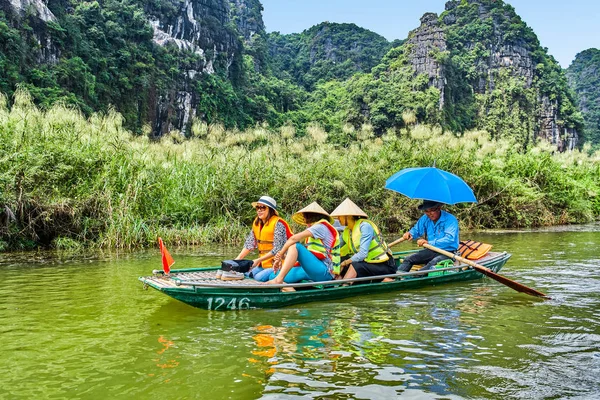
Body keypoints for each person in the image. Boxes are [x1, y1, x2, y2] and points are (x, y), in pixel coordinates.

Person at [266, 202, 340, 286]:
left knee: (295, 245)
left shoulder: (320, 227)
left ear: (309, 217)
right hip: (313, 269)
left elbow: (293, 239)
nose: (304, 220)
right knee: (273, 275)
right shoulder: (315, 228)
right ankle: (285, 285)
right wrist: (283, 257)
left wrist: (279, 255)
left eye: (305, 217)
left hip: (325, 271)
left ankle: (279, 281)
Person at [330, 198, 396, 281]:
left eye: (340, 216)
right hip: (368, 263)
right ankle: (338, 281)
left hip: (384, 265)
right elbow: (335, 246)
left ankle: (344, 286)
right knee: (340, 260)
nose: (338, 219)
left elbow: (362, 254)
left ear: (348, 216)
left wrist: (345, 263)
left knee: (354, 265)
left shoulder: (365, 226)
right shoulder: (347, 231)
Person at [235, 196, 293, 281]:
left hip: (278, 264)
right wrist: (237, 260)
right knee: (245, 273)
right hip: (263, 264)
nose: (259, 210)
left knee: (258, 278)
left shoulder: (279, 224)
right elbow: (249, 244)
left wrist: (258, 260)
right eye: (258, 207)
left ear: (270, 210)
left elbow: (278, 249)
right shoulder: (257, 223)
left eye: (262, 207)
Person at [397, 200, 459, 273]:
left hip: (447, 252)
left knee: (432, 264)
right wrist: (410, 234)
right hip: (431, 250)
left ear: (438, 208)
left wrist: (429, 243)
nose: (429, 214)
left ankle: (415, 277)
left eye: (432, 210)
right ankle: (396, 278)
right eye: (426, 211)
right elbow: (416, 230)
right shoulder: (425, 218)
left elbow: (449, 239)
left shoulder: (450, 220)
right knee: (408, 259)